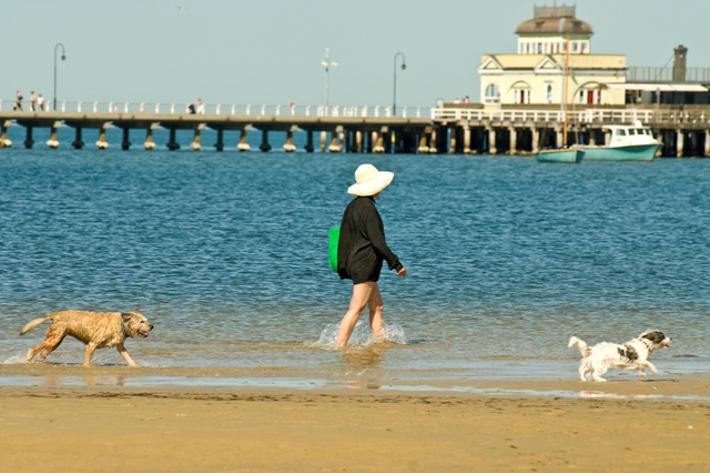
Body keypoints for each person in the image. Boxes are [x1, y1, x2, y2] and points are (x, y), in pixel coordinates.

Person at [335, 164, 406, 347]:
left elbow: (344, 237)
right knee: (356, 308)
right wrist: (396, 264)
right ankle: (340, 347)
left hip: (357, 262)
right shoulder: (369, 210)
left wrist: (345, 264)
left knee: (377, 306)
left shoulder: (352, 206)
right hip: (365, 264)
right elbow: (378, 242)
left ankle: (381, 342)